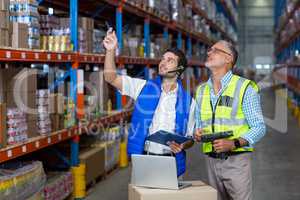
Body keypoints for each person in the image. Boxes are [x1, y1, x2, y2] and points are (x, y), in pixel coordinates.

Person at [103, 30, 196, 176]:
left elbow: (190, 138)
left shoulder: (189, 102)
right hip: (144, 158)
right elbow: (111, 78)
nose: (163, 63)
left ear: (180, 71)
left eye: (170, 60)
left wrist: (183, 144)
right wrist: (110, 51)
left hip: (172, 162)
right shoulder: (143, 87)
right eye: (163, 59)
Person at [194, 40, 266, 200]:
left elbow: (259, 127)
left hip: (236, 160)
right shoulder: (201, 90)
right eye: (209, 49)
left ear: (228, 58)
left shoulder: (245, 87)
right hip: (210, 160)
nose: (209, 52)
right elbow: (199, 123)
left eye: (215, 50)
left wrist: (233, 143)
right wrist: (197, 132)